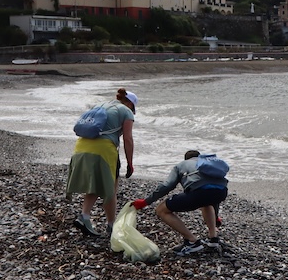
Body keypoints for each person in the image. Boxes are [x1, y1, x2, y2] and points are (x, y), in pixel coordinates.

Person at [66, 87, 137, 237]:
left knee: (94, 183)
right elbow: (128, 139)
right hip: (103, 151)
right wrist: (130, 163)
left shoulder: (101, 106)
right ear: (131, 104)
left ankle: (84, 217)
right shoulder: (126, 112)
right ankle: (111, 226)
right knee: (110, 188)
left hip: (81, 147)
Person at [131, 150, 228, 256]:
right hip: (222, 192)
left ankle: (192, 242)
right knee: (207, 202)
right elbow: (213, 191)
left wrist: (146, 202)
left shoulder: (181, 165)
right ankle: (213, 239)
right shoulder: (207, 165)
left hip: (199, 193)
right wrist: (216, 215)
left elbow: (166, 186)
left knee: (161, 210)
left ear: (186, 158)